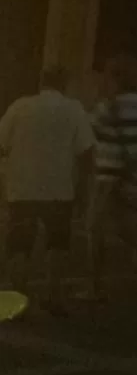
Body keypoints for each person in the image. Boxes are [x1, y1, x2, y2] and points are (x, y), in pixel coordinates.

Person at [0, 67, 94, 316]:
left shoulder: (19, 107)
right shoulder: (74, 109)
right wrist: (84, 189)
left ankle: (18, 300)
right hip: (59, 189)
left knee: (19, 244)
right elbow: (86, 151)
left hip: (22, 187)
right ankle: (54, 297)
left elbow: (1, 144)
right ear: (65, 84)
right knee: (57, 244)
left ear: (42, 83)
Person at [88, 55, 137, 298]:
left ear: (114, 78)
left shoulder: (108, 105)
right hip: (136, 175)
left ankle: (94, 286)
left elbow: (93, 131)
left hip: (108, 176)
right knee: (130, 229)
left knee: (95, 229)